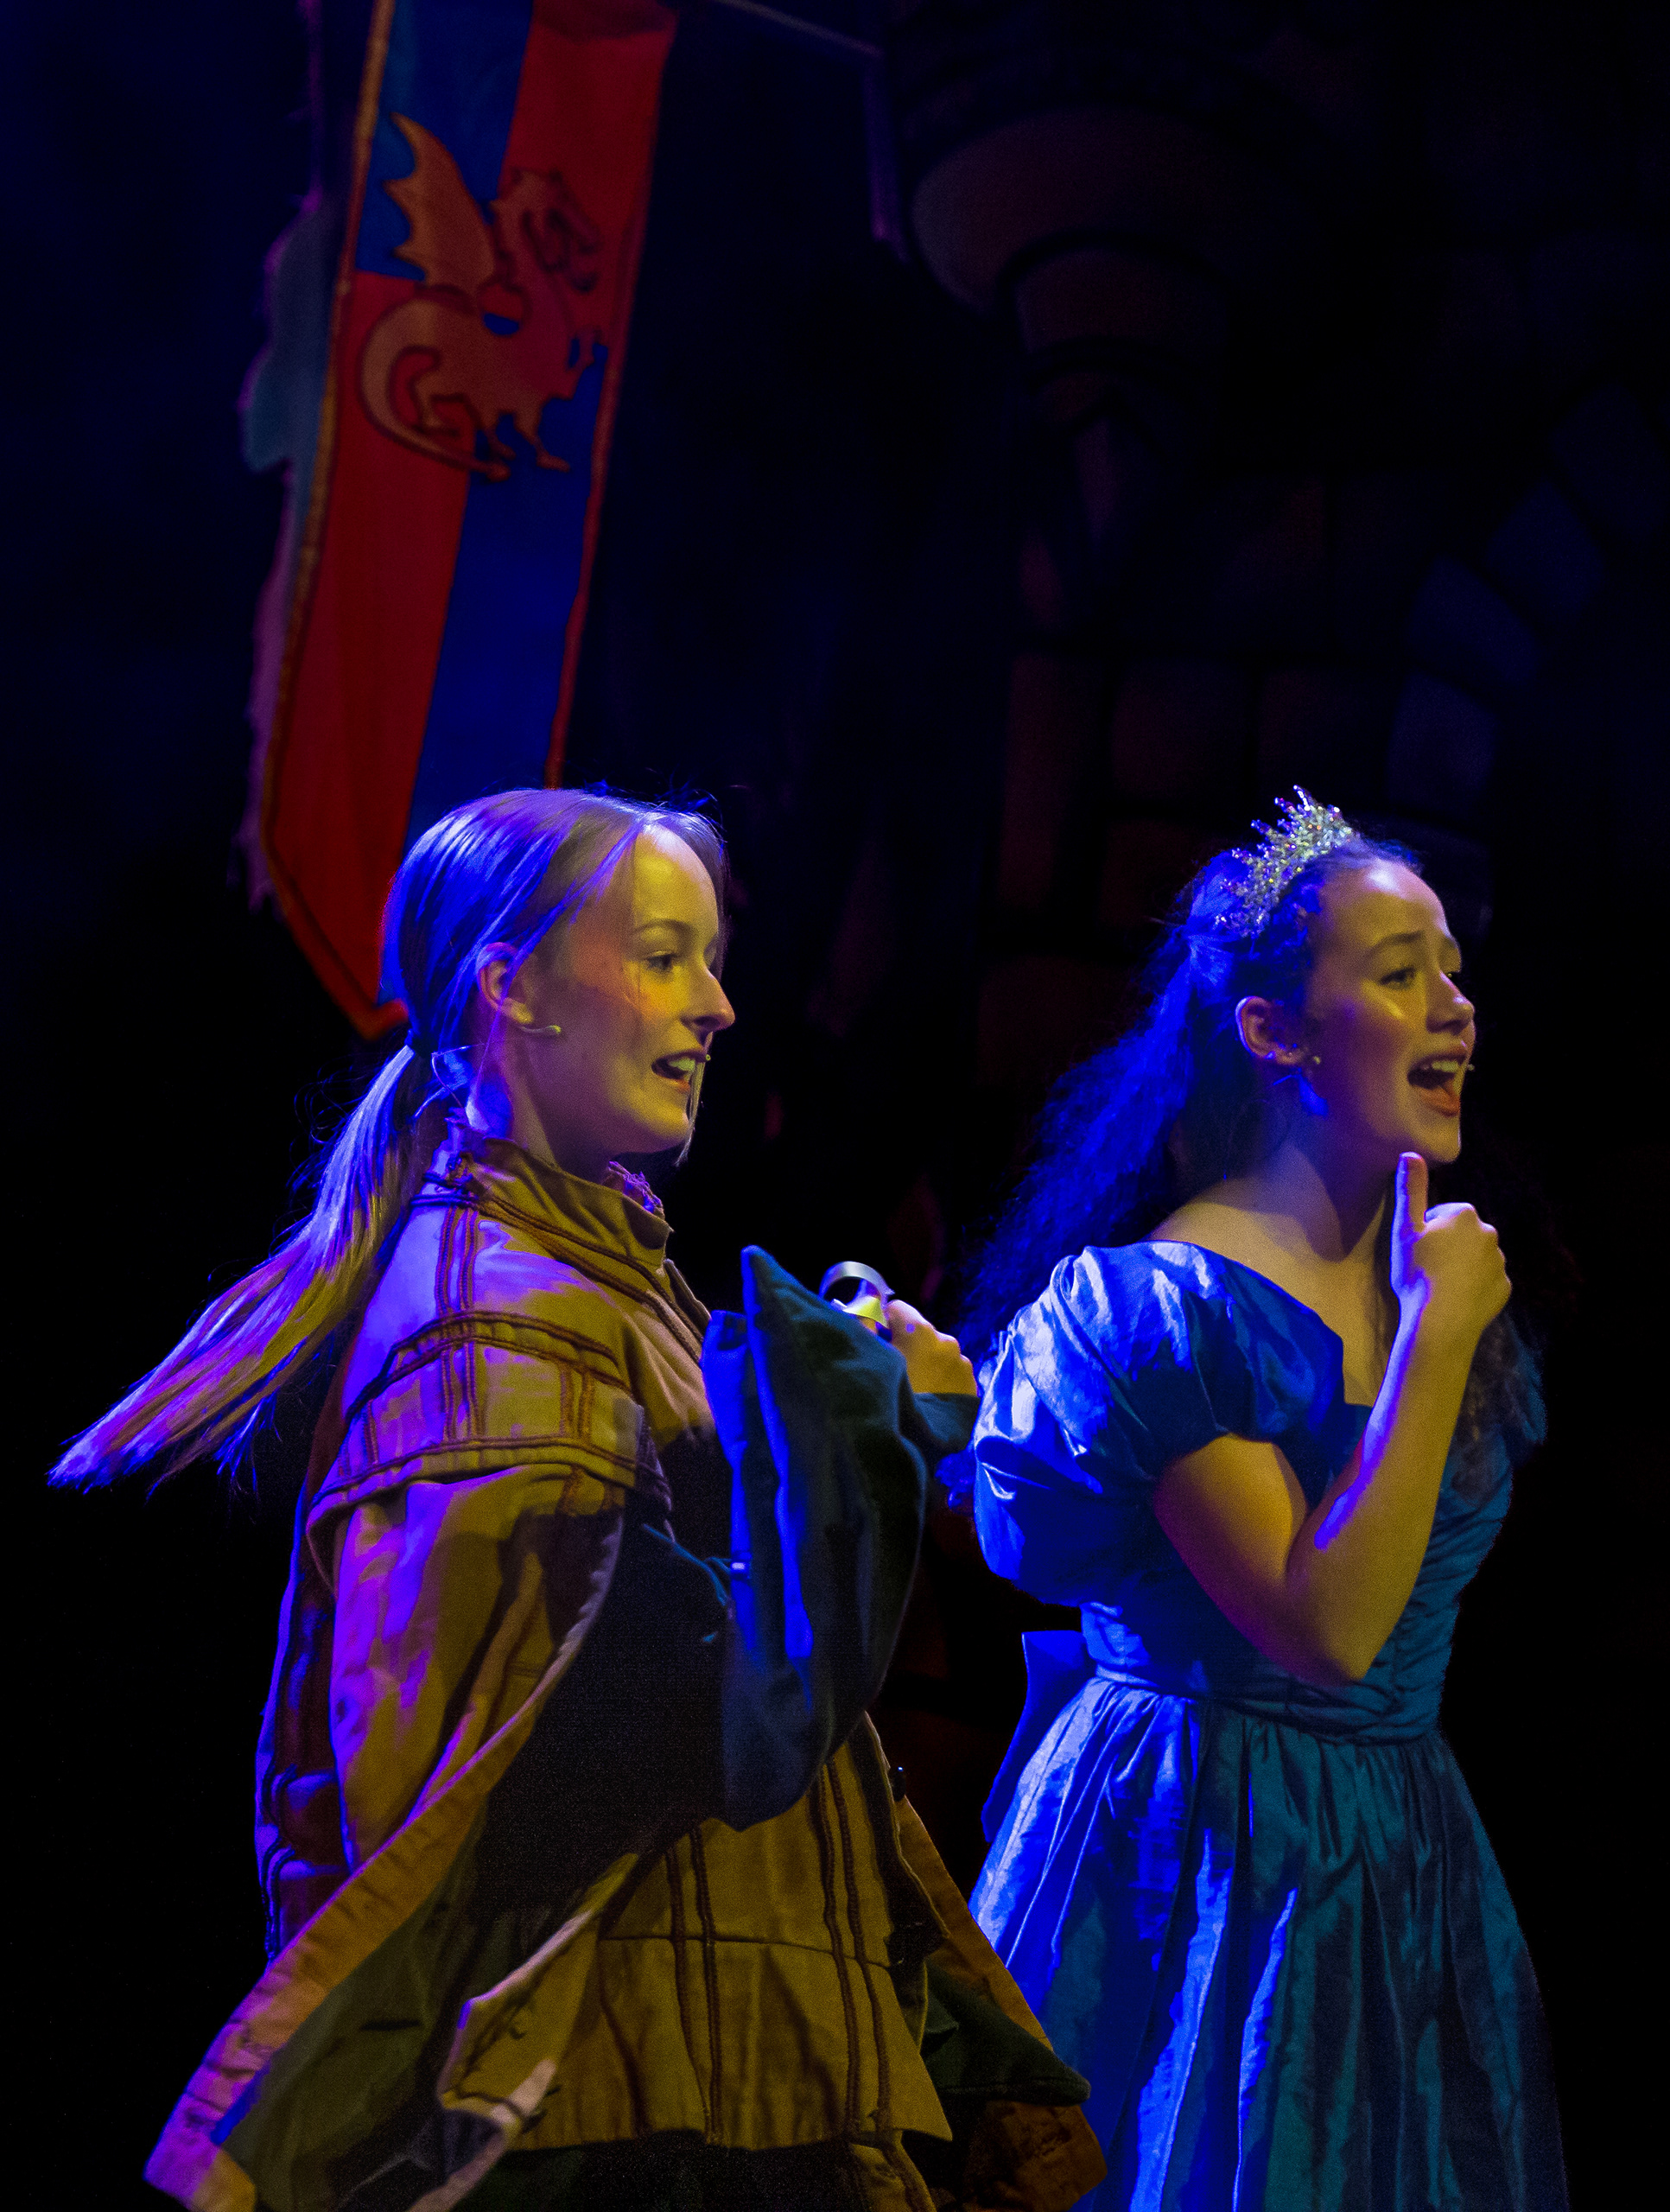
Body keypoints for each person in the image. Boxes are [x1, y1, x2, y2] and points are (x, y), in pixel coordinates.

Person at [59, 790, 1104, 2212]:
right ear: (515, 989)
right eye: (666, 957)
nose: (719, 1006)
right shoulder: (499, 1325)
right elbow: (650, 1749)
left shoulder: (594, 1273)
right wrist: (856, 1436)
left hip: (683, 2071)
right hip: (616, 2117)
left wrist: (827, 1423)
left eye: (711, 960)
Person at [962, 791, 1561, 2210]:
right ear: (1274, 1032)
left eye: (1454, 970)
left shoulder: (1423, 1277)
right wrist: (1431, 1346)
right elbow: (1327, 1626)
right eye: (1400, 974)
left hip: (1398, 1853)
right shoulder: (1173, 1309)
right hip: (1206, 1852)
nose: (1456, 1007)